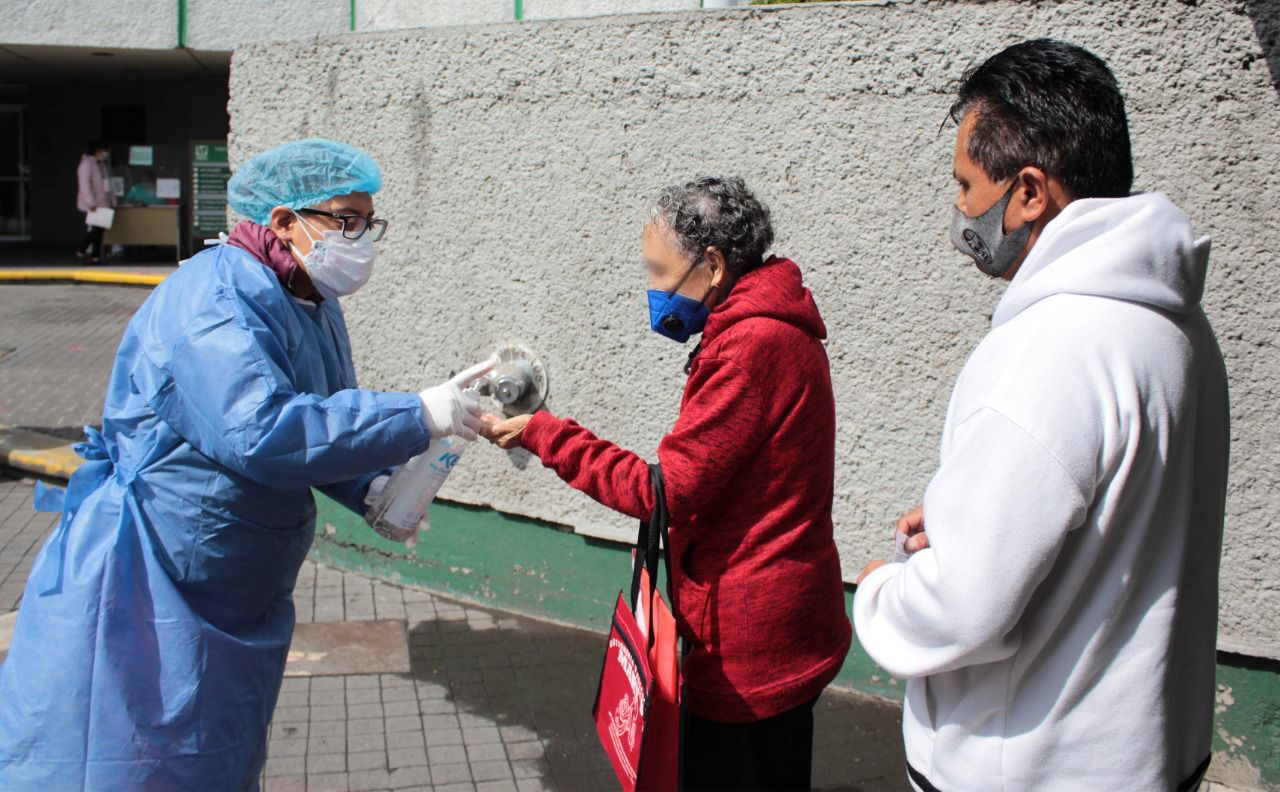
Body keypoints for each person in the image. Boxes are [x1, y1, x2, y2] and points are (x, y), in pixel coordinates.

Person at [0, 138, 493, 789]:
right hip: (152, 578)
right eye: (344, 220)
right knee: (133, 755)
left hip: (232, 583)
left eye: (367, 223)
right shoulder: (216, 301)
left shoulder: (306, 297)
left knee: (216, 752)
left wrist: (372, 489)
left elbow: (315, 415)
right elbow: (261, 429)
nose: (360, 239)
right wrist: (415, 414)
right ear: (284, 221)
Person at [852, 40, 1229, 792]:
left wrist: (881, 593)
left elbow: (965, 607)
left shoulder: (1050, 349)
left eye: (966, 186)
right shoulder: (1178, 327)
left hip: (1026, 763)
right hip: (1141, 750)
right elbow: (1108, 514)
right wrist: (971, 516)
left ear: (1028, 191)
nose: (960, 213)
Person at [484, 176, 852, 791]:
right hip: (773, 621)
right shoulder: (759, 326)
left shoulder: (752, 345)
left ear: (711, 265)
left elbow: (661, 492)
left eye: (659, 271)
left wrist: (544, 435)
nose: (653, 290)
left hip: (749, 642)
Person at [75, 140, 115, 263]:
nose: (106, 153)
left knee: (100, 230)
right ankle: (81, 249)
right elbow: (85, 184)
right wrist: (90, 202)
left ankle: (95, 257)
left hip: (103, 203)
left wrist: (112, 202)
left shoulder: (101, 165)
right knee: (96, 230)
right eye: (104, 151)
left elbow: (108, 185)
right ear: (98, 151)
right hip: (94, 204)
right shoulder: (87, 164)